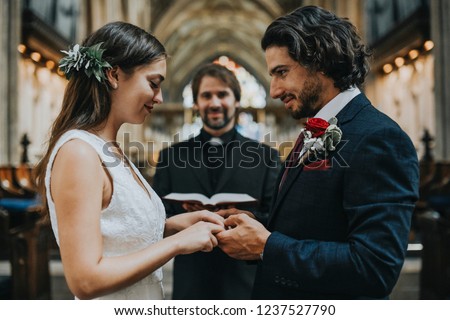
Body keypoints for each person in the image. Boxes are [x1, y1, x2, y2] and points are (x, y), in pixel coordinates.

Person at [216, 5, 419, 299]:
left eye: (282, 72)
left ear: (320, 61)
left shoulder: (379, 138)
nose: (273, 90)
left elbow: (375, 267)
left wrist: (267, 246)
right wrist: (252, 223)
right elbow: (315, 220)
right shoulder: (315, 128)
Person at [35, 21, 224, 300]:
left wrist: (173, 226)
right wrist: (176, 244)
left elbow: (116, 233)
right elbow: (85, 280)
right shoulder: (79, 152)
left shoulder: (108, 149)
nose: (158, 98)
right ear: (113, 75)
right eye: (153, 83)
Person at [152, 63, 280, 299]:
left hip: (245, 285)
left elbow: (276, 217)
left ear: (237, 101)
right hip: (191, 284)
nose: (214, 103)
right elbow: (154, 218)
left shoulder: (266, 156)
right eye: (206, 95)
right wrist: (182, 218)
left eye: (222, 94)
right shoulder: (172, 156)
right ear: (196, 103)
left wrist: (249, 218)